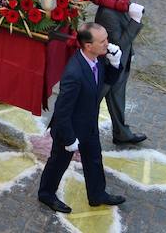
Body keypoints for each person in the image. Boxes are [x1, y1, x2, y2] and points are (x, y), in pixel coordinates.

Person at [37, 23, 125, 213]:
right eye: (102, 41)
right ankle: (46, 194)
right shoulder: (74, 73)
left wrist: (116, 65)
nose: (107, 44)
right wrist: (69, 139)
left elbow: (105, 83)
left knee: (94, 159)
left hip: (89, 124)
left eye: (106, 39)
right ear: (88, 46)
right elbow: (62, 111)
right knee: (58, 163)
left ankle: (97, 194)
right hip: (69, 129)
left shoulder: (98, 59)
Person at [94, 0, 148, 146]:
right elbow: (119, 44)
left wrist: (129, 56)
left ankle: (122, 134)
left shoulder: (122, 2)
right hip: (107, 69)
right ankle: (79, 134)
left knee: (117, 99)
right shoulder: (108, 13)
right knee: (91, 103)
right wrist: (135, 22)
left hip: (120, 65)